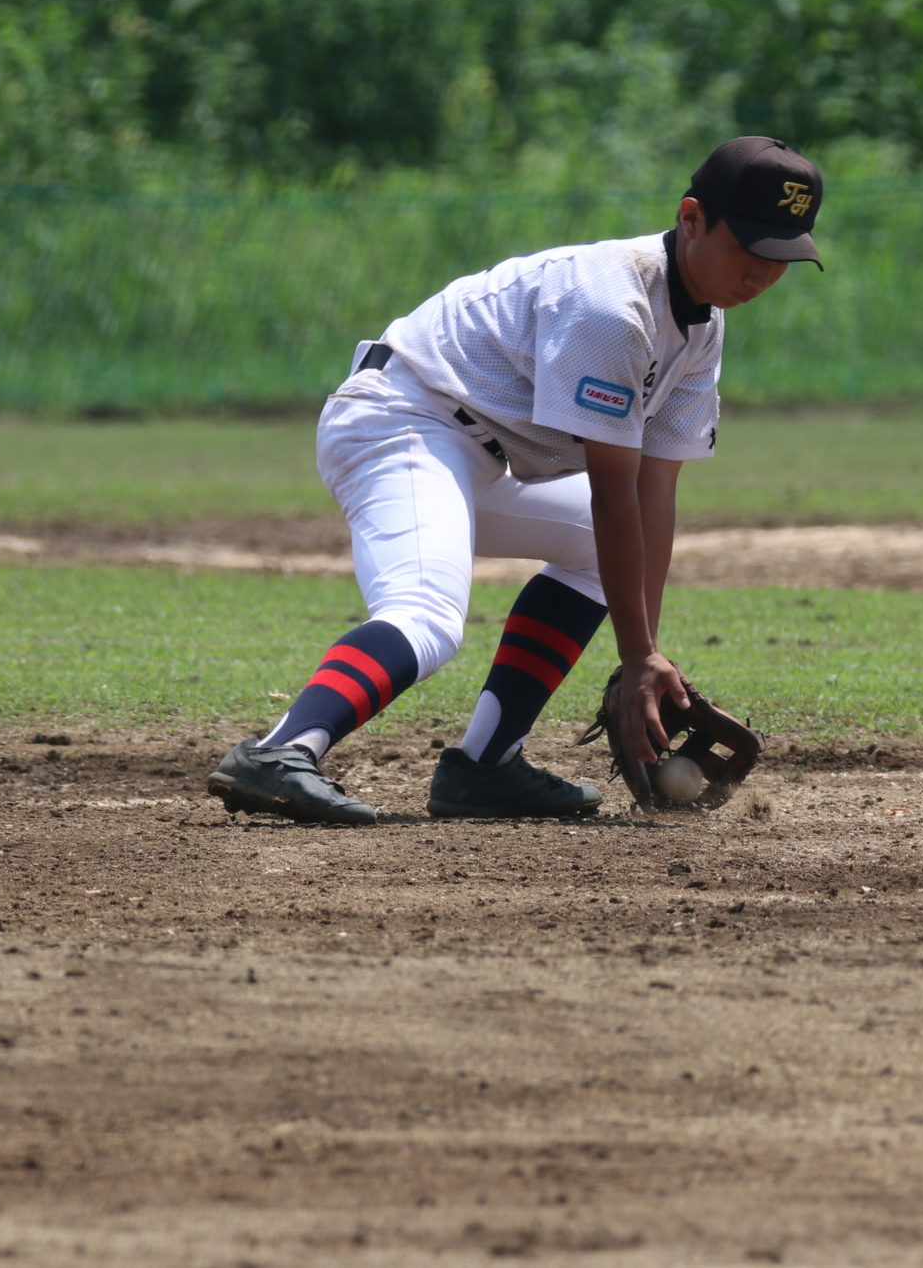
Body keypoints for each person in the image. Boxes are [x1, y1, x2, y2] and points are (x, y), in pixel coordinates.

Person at [205, 136, 824, 823]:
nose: (763, 273)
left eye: (783, 257)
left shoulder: (702, 326)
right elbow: (613, 491)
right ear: (691, 219)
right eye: (750, 247)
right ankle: (280, 748)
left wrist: (645, 656)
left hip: (482, 451)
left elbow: (654, 493)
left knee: (601, 549)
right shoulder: (612, 306)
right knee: (428, 615)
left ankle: (486, 766)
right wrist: (638, 654)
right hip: (402, 421)